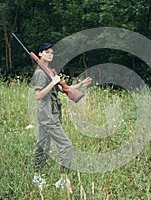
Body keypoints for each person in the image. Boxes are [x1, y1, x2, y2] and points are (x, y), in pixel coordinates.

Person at [31, 43, 92, 190]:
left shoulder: (50, 72)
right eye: (46, 52)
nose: (50, 54)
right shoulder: (40, 73)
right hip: (48, 116)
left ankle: (36, 176)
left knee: (43, 146)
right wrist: (52, 83)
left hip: (51, 114)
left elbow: (63, 89)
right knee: (66, 146)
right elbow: (38, 95)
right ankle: (63, 180)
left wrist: (80, 85)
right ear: (40, 54)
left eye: (51, 52)